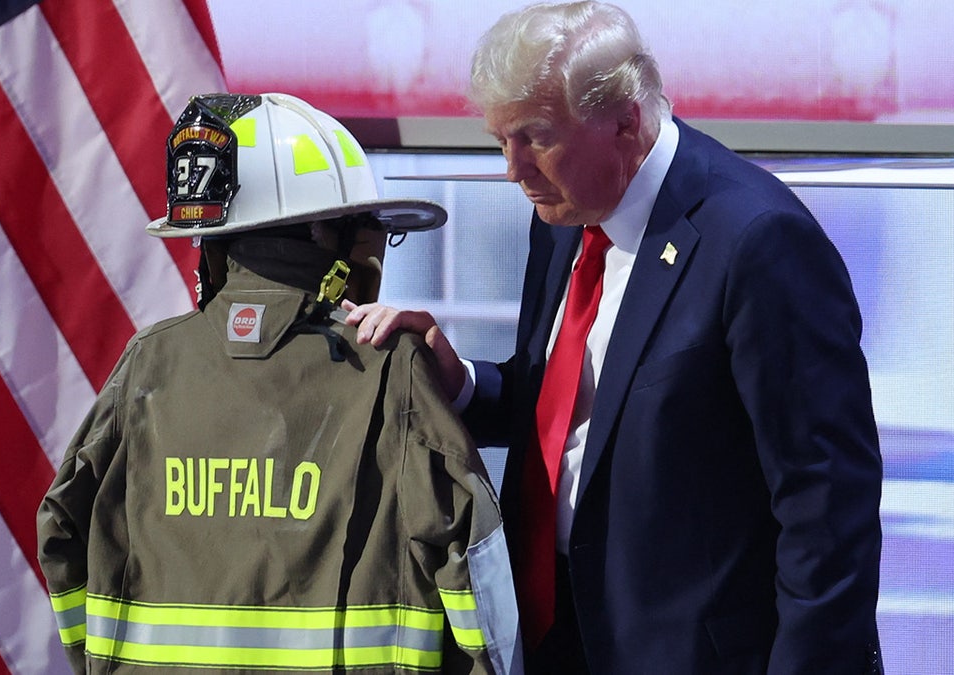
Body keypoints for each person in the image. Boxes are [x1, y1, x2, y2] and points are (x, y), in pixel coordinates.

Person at [345, 3, 884, 673]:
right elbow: (574, 410)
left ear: (626, 119)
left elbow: (827, 510)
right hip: (556, 639)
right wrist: (462, 384)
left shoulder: (758, 242)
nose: (513, 169)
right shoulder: (566, 211)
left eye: (534, 136)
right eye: (499, 139)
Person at [37, 93, 522, 674]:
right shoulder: (389, 367)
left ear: (214, 249)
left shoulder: (146, 364)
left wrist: (100, 661)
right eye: (370, 232)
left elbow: (60, 527)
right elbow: (474, 554)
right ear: (334, 240)